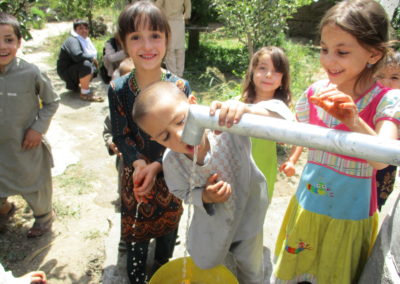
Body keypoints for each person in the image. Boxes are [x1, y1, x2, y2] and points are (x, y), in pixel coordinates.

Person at [272, 1, 400, 283]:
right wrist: (246, 109)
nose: (329, 60)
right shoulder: (316, 92)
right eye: (324, 49)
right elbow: (291, 127)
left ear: (373, 53)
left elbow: (382, 158)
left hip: (349, 217)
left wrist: (353, 120)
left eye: (342, 52)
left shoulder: (386, 101)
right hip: (306, 208)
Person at [132, 81, 293, 284]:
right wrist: (204, 195)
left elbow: (283, 115)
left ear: (194, 103)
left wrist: (246, 111)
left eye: (181, 121)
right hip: (213, 226)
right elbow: (182, 191)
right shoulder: (171, 161)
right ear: (156, 140)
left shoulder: (227, 126)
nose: (180, 136)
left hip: (248, 217)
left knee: (251, 270)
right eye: (165, 136)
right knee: (215, 269)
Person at [107, 2, 191, 283]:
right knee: (137, 230)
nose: (147, 45)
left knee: (169, 225)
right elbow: (120, 134)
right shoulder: (118, 89)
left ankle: (162, 269)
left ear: (168, 38)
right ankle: (136, 276)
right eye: (136, 37)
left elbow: (184, 135)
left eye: (155, 35)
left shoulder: (180, 87)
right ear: (124, 43)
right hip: (137, 174)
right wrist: (140, 163)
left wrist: (157, 166)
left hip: (172, 170)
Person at [0, 13, 59, 238]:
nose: (2, 47)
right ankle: (4, 209)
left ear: (19, 42)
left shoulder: (31, 72)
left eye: (8, 40)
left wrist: (37, 129)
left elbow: (52, 102)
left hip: (25, 143)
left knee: (34, 184)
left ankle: (44, 219)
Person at [241, 46, 293, 200]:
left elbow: (287, 132)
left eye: (277, 71)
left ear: (283, 78)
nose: (269, 75)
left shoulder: (280, 109)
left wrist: (291, 160)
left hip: (262, 168)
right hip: (236, 167)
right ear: (252, 72)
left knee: (254, 213)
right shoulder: (241, 103)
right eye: (263, 68)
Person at [374, 49, 400, 211]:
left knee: (377, 201)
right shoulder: (371, 100)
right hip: (360, 165)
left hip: (387, 166)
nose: (385, 83)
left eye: (395, 78)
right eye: (380, 76)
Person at [56, 19, 104, 102]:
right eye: (80, 28)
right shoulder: (72, 40)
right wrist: (92, 59)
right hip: (66, 72)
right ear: (75, 30)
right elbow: (77, 56)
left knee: (90, 66)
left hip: (74, 69)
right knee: (86, 65)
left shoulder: (86, 41)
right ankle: (84, 93)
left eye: (86, 28)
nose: (84, 30)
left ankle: (82, 86)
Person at [155, 0, 191, 77]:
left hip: (168, 22)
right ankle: (180, 75)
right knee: (180, 50)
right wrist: (186, 15)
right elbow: (188, 5)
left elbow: (156, 7)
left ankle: (173, 76)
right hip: (179, 22)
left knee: (169, 50)